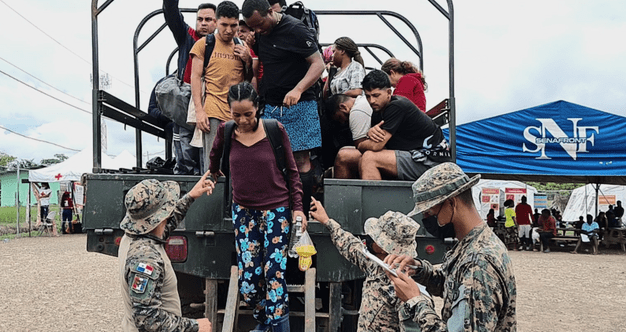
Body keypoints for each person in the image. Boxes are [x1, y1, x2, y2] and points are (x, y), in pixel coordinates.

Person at [208, 83, 306, 332]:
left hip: (277, 211)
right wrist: (212, 173)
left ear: (258, 109)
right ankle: (264, 320)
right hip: (244, 213)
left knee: (274, 274)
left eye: (247, 114)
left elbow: (292, 172)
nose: (242, 120)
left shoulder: (275, 130)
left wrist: (298, 208)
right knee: (248, 281)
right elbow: (215, 156)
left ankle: (278, 327)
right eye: (236, 114)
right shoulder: (226, 131)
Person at [384, 162, 516, 331]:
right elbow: (454, 285)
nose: (428, 220)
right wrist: (418, 269)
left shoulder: (478, 263)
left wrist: (416, 302)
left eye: (430, 213)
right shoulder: (473, 244)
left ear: (452, 203)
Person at [242, 0, 325, 214]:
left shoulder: (295, 29)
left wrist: (298, 89)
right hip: (271, 106)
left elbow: (319, 64)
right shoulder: (261, 34)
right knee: (269, 159)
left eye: (260, 25)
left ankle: (303, 211)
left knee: (300, 161)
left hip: (300, 105)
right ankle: (275, 209)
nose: (258, 31)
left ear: (270, 11)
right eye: (253, 28)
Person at [118, 172, 214, 332]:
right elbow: (147, 319)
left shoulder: (134, 237)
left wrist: (190, 196)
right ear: (162, 216)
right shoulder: (146, 259)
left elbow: (164, 225)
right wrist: (195, 327)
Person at [310, 198, 419, 332]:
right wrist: (327, 221)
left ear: (383, 248)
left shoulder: (403, 288)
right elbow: (351, 246)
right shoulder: (375, 264)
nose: (369, 237)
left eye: (374, 237)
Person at [162, 0, 217, 174]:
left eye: (208, 19)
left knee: (209, 157)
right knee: (184, 155)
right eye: (200, 19)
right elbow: (172, 14)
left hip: (212, 101)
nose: (203, 23)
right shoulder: (188, 37)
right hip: (186, 102)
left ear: (217, 22)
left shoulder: (224, 44)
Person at [189, 0, 253, 171]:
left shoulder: (241, 45)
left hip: (237, 113)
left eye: (233, 25)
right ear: (216, 22)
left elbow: (248, 80)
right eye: (224, 25)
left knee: (237, 164)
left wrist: (248, 60)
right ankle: (213, 197)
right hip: (213, 111)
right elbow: (194, 78)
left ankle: (233, 198)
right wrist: (199, 112)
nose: (228, 30)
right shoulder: (204, 44)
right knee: (212, 164)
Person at [358, 70, 450, 181]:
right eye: (368, 96)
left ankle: (376, 198)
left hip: (432, 162)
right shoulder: (377, 111)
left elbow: (376, 146)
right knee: (345, 156)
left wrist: (360, 144)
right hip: (414, 155)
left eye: (376, 95)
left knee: (369, 158)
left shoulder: (396, 106)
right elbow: (376, 145)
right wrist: (369, 138)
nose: (371, 101)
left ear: (388, 93)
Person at [324, 93, 372, 178]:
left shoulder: (356, 111)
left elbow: (361, 146)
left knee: (343, 156)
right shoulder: (362, 100)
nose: (343, 122)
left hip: (388, 152)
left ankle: (341, 191)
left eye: (339, 117)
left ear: (342, 107)